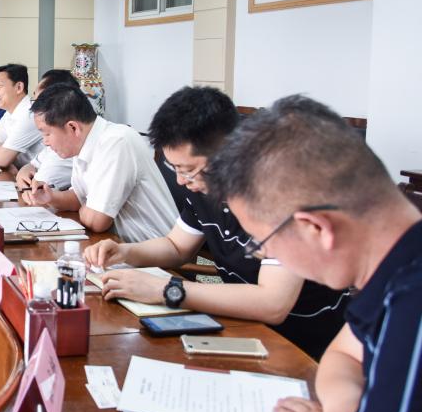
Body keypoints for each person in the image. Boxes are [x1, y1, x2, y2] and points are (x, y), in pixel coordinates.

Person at [205, 96, 422, 412]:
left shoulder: (412, 304)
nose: (264, 255)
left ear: (317, 228)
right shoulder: (397, 262)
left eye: (262, 243)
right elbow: (344, 354)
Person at [84, 87, 348, 360]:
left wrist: (165, 289)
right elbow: (177, 246)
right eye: (174, 168)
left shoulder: (282, 194)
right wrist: (125, 253)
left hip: (300, 348)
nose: (181, 181)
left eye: (188, 170)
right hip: (237, 326)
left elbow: (273, 303)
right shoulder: (203, 186)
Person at [29, 83, 175, 242]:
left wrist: (86, 207)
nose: (45, 142)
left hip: (155, 250)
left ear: (73, 128)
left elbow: (97, 221)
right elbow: (78, 198)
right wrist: (51, 197)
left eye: (47, 134)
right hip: (120, 244)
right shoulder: (84, 144)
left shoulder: (117, 142)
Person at [17, 69, 79, 202]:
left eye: (38, 99)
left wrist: (25, 182)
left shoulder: (68, 144)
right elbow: (30, 166)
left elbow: (36, 191)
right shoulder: (58, 137)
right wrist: (22, 173)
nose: (34, 104)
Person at [0, 64, 44, 170]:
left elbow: (2, 160)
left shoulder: (30, 113)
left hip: (37, 177)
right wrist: (1, 156)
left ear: (19, 87)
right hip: (18, 173)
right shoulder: (8, 112)